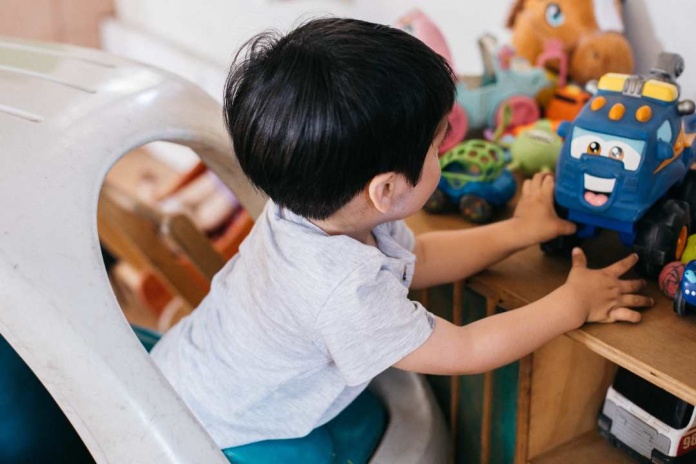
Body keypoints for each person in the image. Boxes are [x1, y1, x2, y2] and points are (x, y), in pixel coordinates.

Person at [150, 16, 652, 450]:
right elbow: (466, 350)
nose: (444, 153)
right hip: (221, 430)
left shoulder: (308, 203)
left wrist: (518, 231)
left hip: (186, 368)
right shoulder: (344, 292)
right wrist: (572, 305)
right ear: (385, 190)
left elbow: (422, 257)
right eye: (438, 147)